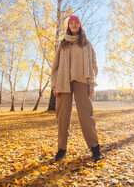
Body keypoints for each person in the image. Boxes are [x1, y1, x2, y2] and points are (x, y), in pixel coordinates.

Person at [51, 15, 103, 162]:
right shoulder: (63, 44)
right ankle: (61, 149)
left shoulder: (86, 44)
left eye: (76, 23)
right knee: (62, 117)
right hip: (63, 82)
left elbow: (93, 64)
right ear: (68, 26)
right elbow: (55, 65)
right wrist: (54, 84)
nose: (74, 25)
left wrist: (92, 83)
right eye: (71, 23)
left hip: (82, 81)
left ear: (80, 25)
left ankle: (95, 148)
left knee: (86, 115)